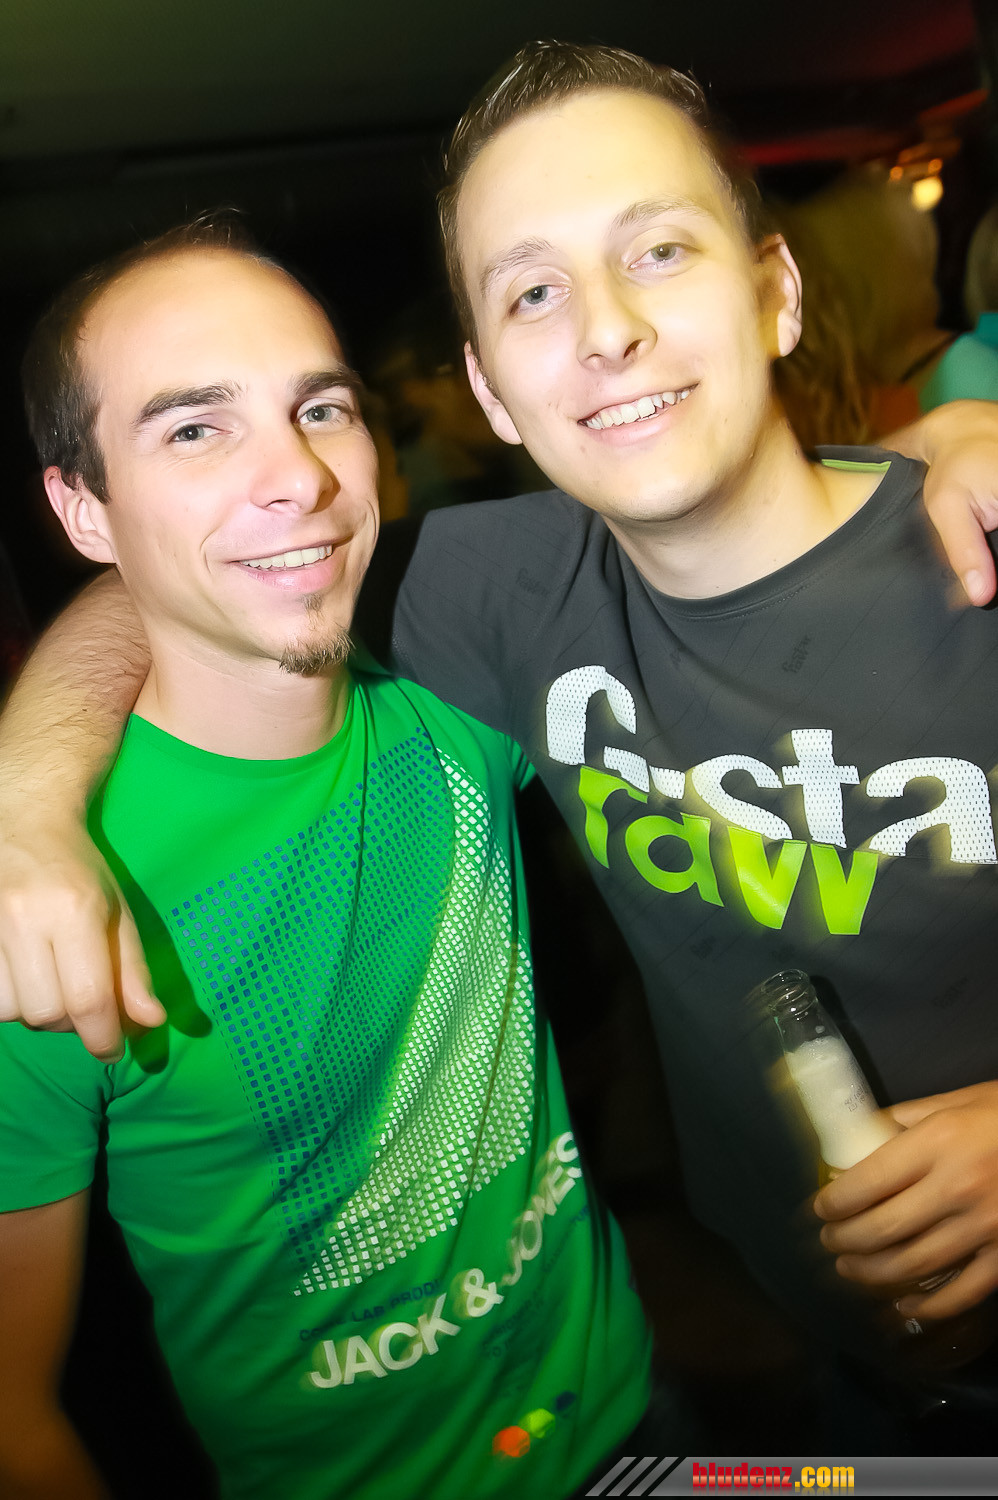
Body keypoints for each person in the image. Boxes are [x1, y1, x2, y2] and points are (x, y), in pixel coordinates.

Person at [4, 37, 998, 1439]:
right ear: (486, 391)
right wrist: (25, 796)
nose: (605, 330)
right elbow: (185, 584)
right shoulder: (494, 600)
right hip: (819, 1366)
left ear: (773, 292)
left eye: (657, 251)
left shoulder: (977, 561)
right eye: (534, 290)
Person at [0, 220, 652, 1499]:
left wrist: (948, 451)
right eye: (195, 429)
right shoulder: (43, 910)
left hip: (629, 1411)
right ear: (82, 509)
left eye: (319, 409)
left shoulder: (461, 678)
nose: (294, 477)